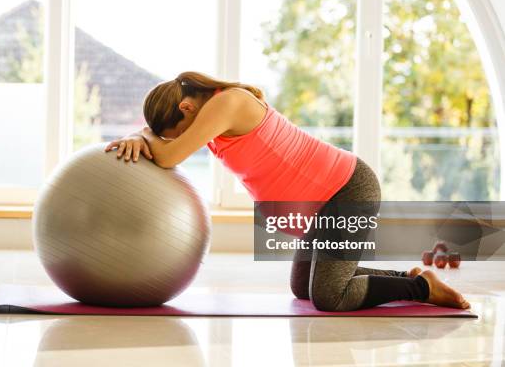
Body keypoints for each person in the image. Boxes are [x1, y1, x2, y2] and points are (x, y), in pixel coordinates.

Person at [105, 71, 470, 311]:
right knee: (303, 289)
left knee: (330, 297)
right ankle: (410, 278)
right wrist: (144, 134)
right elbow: (169, 148)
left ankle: (422, 291)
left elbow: (168, 157)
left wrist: (144, 136)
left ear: (186, 107)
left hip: (346, 189)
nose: (179, 138)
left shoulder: (226, 103)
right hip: (322, 205)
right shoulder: (212, 111)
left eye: (177, 130)